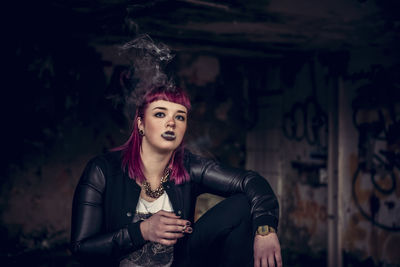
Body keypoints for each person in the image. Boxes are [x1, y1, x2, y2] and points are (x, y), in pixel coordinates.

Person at [70, 36, 282, 267]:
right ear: (140, 124)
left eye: (179, 117)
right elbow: (82, 249)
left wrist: (265, 230)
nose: (171, 123)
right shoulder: (102, 170)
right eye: (160, 114)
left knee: (243, 204)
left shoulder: (189, 166)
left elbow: (251, 181)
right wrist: (142, 231)